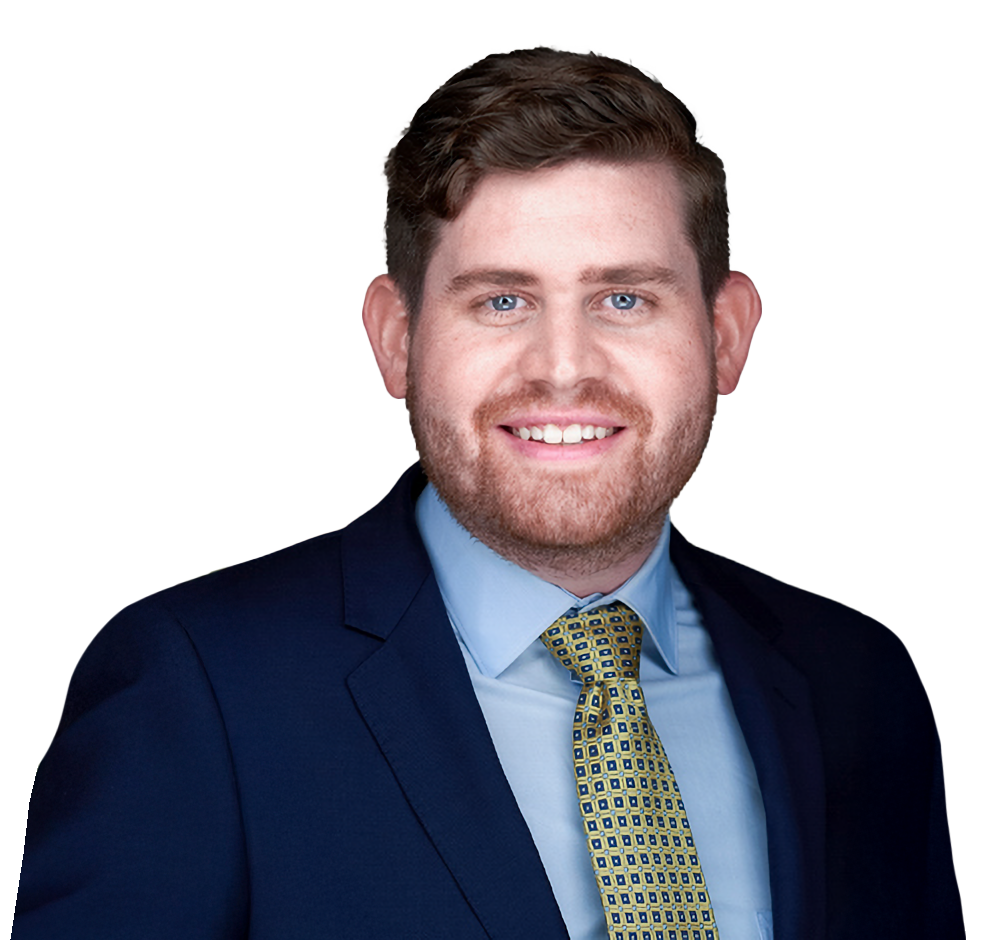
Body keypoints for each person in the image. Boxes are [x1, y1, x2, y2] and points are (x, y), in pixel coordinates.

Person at [12, 46, 953, 940]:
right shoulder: (196, 688)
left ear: (726, 336)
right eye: (502, 300)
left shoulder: (859, 679)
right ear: (396, 339)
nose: (563, 369)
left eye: (625, 299)